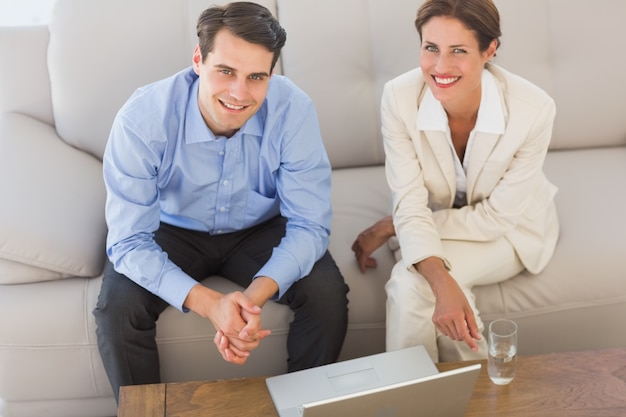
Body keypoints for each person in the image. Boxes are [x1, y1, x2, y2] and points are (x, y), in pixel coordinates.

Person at [94, 2, 349, 401]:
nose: (239, 93)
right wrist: (211, 304)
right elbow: (128, 243)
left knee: (326, 295)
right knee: (118, 309)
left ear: (271, 75)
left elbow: (309, 225)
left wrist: (251, 299)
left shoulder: (293, 109)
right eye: (226, 71)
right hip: (171, 229)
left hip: (259, 228)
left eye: (256, 77)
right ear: (199, 59)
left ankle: (305, 408)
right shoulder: (142, 120)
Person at [352, 0, 559, 363]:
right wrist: (438, 274)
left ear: (489, 50)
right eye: (431, 48)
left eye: (458, 51)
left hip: (508, 230)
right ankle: (466, 392)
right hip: (434, 219)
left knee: (409, 283)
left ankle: (413, 398)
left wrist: (394, 226)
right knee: (413, 285)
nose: (440, 66)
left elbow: (498, 218)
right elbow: (410, 202)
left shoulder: (534, 109)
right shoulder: (399, 98)